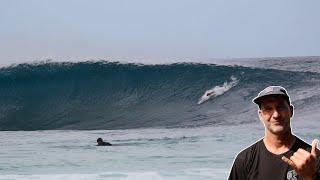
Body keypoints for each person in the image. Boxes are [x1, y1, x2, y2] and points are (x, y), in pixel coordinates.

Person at [228, 86, 320, 180]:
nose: (276, 115)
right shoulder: (245, 159)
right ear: (260, 115)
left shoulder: (312, 159)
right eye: (268, 109)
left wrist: (309, 177)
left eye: (280, 107)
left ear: (291, 111)